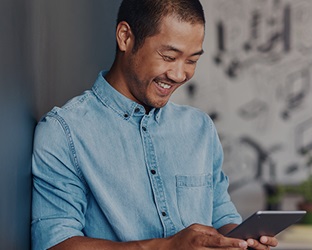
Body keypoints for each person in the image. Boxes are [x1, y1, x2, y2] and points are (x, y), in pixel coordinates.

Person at [31, 0, 278, 249]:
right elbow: (55, 242)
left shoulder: (200, 128)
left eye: (192, 61)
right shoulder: (64, 131)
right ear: (125, 37)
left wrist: (240, 241)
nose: (180, 75)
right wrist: (165, 247)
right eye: (169, 57)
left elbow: (221, 214)